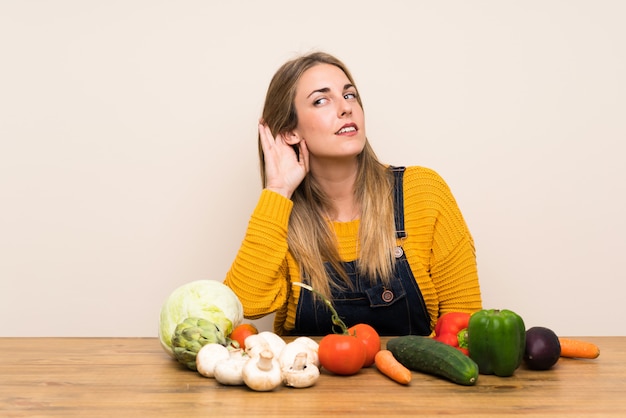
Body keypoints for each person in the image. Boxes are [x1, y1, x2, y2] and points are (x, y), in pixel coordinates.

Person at [224, 51, 482, 336]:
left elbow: (464, 326)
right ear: (289, 133)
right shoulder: (281, 219)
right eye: (321, 100)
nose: (345, 108)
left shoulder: (422, 192)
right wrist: (278, 190)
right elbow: (245, 304)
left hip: (416, 379)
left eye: (349, 95)